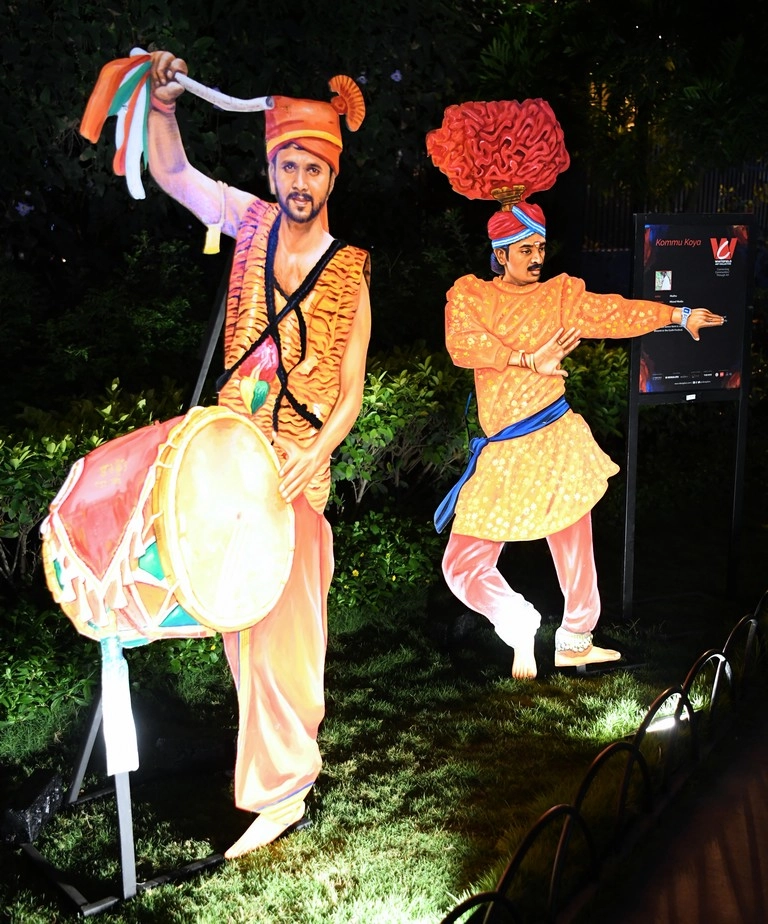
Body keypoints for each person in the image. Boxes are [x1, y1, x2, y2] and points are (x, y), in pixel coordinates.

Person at [146, 51, 371, 856]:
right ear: (272, 170)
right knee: (239, 625)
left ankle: (283, 790)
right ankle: (280, 775)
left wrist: (321, 452)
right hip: (232, 459)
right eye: (288, 166)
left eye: (313, 167)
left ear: (333, 175)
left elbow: (351, 388)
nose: (299, 181)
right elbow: (173, 174)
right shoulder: (248, 223)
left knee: (287, 632)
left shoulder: (351, 269)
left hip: (295, 473)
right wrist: (162, 106)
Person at [427, 99, 724, 682]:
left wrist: (678, 315)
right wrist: (526, 358)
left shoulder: (560, 296)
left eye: (541, 248)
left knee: (574, 544)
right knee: (462, 564)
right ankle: (517, 621)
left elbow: (614, 312)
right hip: (504, 450)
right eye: (525, 250)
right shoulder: (470, 296)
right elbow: (464, 346)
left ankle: (575, 639)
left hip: (554, 440)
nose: (537, 259)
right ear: (499, 255)